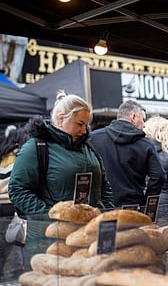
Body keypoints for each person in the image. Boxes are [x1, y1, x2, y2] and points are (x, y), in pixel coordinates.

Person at [8, 92, 115, 267]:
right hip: (48, 242)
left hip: (88, 238)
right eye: (79, 124)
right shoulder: (36, 148)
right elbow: (18, 190)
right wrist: (52, 217)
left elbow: (105, 187)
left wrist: (105, 217)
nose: (84, 130)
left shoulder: (89, 149)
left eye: (86, 125)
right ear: (61, 119)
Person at [89, 100, 166, 208]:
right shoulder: (146, 144)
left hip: (102, 209)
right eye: (143, 120)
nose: (144, 125)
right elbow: (159, 176)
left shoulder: (94, 138)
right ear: (133, 117)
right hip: (133, 209)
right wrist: (146, 203)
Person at [0, 125, 30, 281]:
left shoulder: (3, 157)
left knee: (2, 247)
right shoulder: (21, 156)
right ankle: (15, 274)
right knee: (14, 242)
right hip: (10, 206)